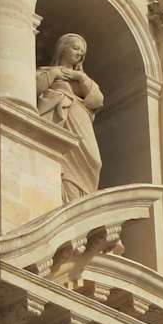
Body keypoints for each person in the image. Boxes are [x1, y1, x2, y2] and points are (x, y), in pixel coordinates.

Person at [36, 31, 103, 202]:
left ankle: (83, 198)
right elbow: (34, 86)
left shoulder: (81, 78)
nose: (80, 53)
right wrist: (55, 73)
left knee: (95, 161)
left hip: (80, 118)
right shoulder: (48, 71)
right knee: (62, 157)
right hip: (59, 117)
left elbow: (97, 101)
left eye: (82, 51)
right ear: (63, 49)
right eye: (75, 48)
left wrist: (80, 77)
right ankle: (68, 198)